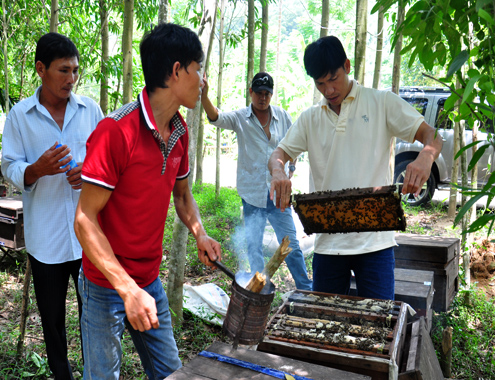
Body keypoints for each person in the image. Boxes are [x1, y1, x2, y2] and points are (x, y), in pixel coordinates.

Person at [73, 23, 221, 380]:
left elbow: (182, 195)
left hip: (150, 280)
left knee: (172, 374)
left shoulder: (181, 132)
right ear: (176, 71)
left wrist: (199, 233)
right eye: (198, 69)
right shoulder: (116, 131)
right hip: (106, 285)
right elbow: (84, 220)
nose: (202, 81)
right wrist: (126, 289)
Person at [268, 36, 443, 300]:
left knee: (380, 322)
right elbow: (278, 154)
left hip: (376, 244)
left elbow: (432, 135)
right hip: (328, 245)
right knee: (326, 324)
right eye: (320, 83)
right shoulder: (310, 118)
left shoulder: (381, 102)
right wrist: (279, 171)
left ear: (347, 66)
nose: (328, 90)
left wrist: (426, 157)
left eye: (333, 78)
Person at [1, 33, 104, 379]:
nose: (72, 79)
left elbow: (106, 162)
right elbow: (9, 164)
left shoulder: (91, 110)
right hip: (45, 241)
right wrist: (35, 170)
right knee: (52, 321)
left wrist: (88, 174)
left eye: (75, 71)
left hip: (88, 237)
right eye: (64, 71)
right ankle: (63, 375)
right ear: (41, 69)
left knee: (96, 314)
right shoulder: (20, 116)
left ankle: (97, 371)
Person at [201, 72, 312, 290]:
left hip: (278, 195)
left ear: (271, 94)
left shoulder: (282, 116)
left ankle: (305, 289)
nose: (263, 98)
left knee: (291, 245)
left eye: (267, 94)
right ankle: (261, 290)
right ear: (250, 92)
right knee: (254, 247)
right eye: (259, 93)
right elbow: (216, 117)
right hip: (252, 195)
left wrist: (291, 167)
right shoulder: (240, 118)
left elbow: (293, 144)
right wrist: (205, 95)